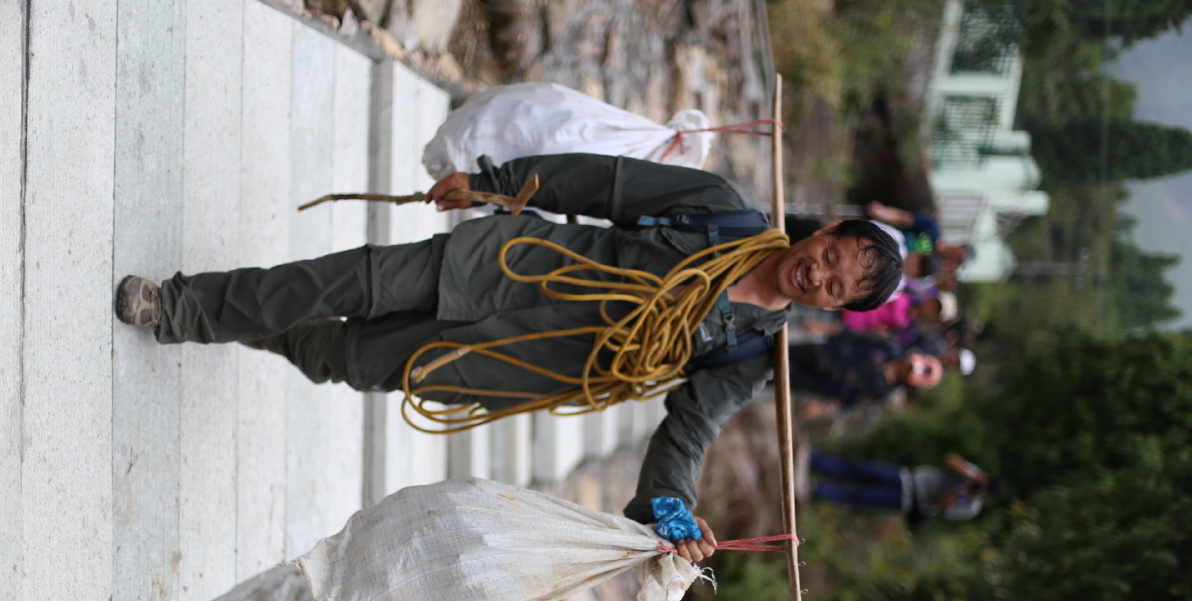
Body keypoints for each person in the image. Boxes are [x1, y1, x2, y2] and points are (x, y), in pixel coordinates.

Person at [115, 153, 902, 562]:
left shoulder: (752, 352)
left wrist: (669, 511)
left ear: (835, 311)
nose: (823, 274)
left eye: (839, 289)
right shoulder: (721, 210)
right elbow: (603, 183)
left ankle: (263, 325)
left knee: (348, 359)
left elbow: (688, 432)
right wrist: (493, 183)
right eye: (835, 254)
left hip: (521, 358)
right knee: (348, 278)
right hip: (512, 259)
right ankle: (184, 307)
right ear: (824, 231)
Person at [802, 450, 997, 522]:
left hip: (907, 499)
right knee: (858, 468)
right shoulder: (972, 473)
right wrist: (970, 475)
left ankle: (816, 490)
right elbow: (950, 459)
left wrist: (962, 492)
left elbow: (941, 506)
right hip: (906, 477)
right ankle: (812, 459)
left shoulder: (971, 507)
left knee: (859, 496)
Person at [787, 331, 943, 419]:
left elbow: (850, 402)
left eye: (910, 371)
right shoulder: (890, 347)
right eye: (911, 366)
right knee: (783, 352)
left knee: (781, 380)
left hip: (823, 383)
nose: (907, 368)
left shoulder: (884, 391)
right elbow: (857, 337)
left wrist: (820, 408)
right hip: (824, 353)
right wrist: (824, 328)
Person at [865, 201, 974, 274]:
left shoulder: (933, 264)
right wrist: (883, 213)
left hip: (885, 263)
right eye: (961, 256)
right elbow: (904, 218)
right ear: (961, 246)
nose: (956, 258)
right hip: (884, 237)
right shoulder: (933, 229)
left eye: (959, 261)